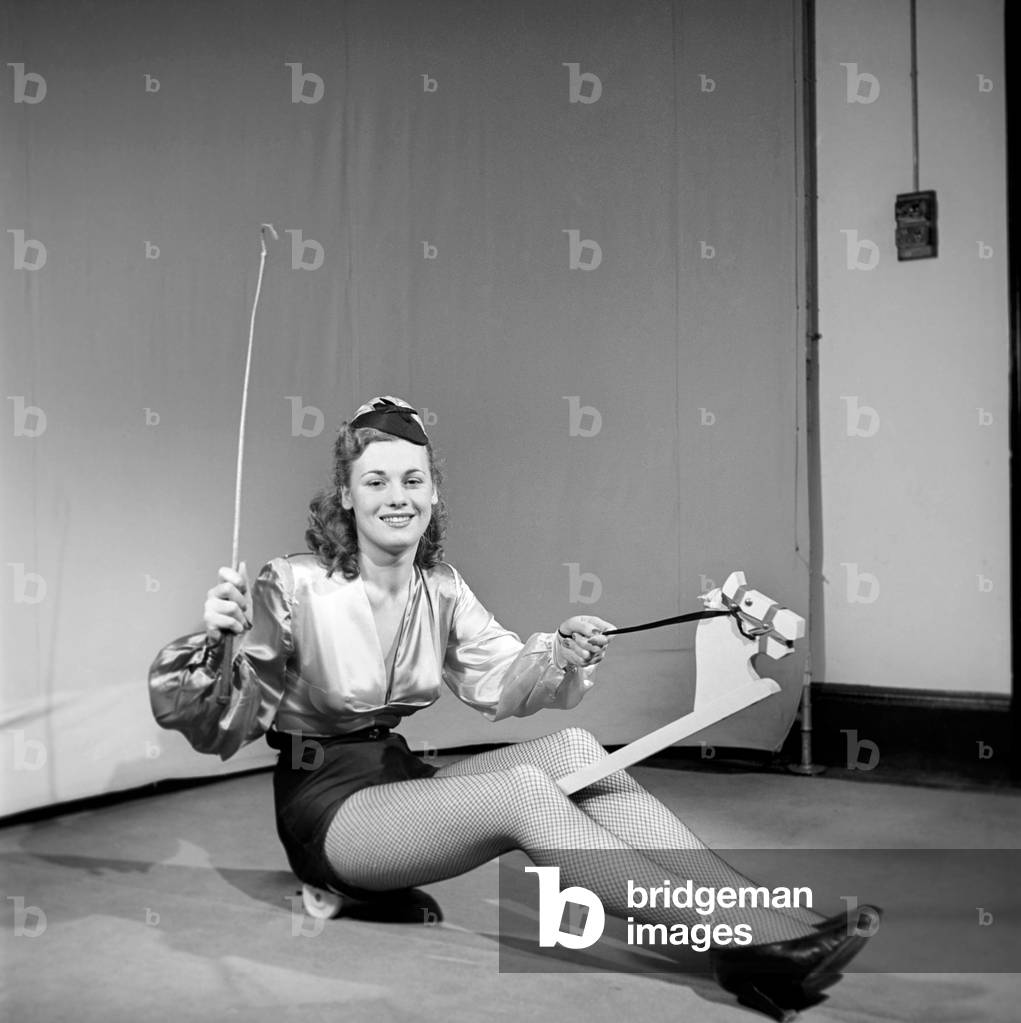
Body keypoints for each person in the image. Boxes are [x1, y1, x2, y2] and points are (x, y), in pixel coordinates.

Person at [149, 395, 879, 1021]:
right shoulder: (292, 585)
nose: (395, 495)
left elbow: (501, 675)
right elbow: (220, 725)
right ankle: (739, 944)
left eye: (412, 478)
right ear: (345, 494)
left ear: (434, 491)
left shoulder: (441, 585)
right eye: (375, 480)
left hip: (396, 783)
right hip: (327, 809)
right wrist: (215, 643)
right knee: (527, 793)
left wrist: (559, 651)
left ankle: (774, 927)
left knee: (576, 753)